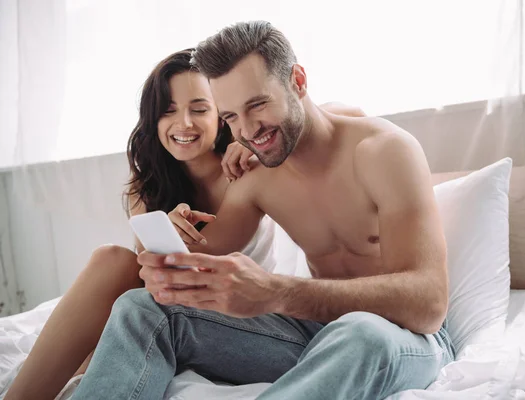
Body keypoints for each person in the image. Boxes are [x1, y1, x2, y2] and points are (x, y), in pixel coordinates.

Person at [70, 21, 455, 400]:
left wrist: (278, 293)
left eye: (257, 105)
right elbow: (197, 264)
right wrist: (171, 251)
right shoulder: (257, 172)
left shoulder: (385, 152)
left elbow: (429, 303)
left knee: (361, 332)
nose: (248, 130)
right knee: (142, 309)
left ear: (298, 81)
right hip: (313, 334)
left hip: (402, 338)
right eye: (231, 117)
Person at [4, 48, 364, 400]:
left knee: (120, 278)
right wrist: (165, 233)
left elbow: (343, 114)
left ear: (222, 116)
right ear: (153, 119)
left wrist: (251, 144)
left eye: (199, 109)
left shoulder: (247, 167)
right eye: (169, 111)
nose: (184, 124)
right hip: (174, 303)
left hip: (236, 317)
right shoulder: (149, 185)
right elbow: (147, 281)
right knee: (113, 259)